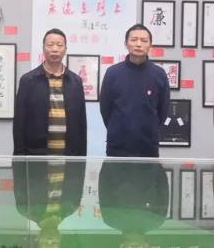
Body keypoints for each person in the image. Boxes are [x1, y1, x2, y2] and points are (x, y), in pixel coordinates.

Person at [13, 28, 87, 156]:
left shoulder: (75, 81)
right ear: (43, 48)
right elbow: (19, 123)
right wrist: (19, 157)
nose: (55, 49)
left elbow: (81, 123)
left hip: (69, 156)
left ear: (65, 49)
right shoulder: (28, 81)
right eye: (50, 45)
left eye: (59, 45)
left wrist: (81, 159)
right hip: (36, 156)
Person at [100, 24, 170, 157]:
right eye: (134, 40)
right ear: (126, 44)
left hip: (148, 146)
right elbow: (105, 109)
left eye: (144, 41)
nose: (138, 44)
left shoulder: (159, 74)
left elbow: (163, 111)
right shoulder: (112, 73)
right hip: (117, 147)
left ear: (150, 45)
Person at [13, 158, 85, 248]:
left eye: (45, 244)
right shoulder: (72, 206)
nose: (50, 240)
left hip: (37, 151)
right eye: (54, 243)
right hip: (68, 151)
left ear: (38, 238)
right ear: (60, 238)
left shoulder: (25, 208)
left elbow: (18, 166)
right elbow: (79, 167)